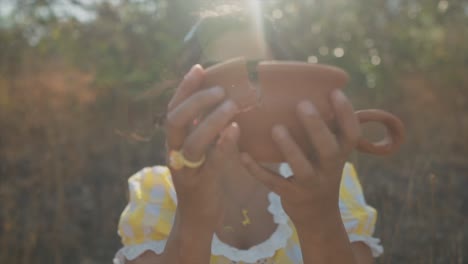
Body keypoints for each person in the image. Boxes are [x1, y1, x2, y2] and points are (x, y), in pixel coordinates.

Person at [114, 4, 383, 264]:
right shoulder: (158, 191)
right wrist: (192, 216)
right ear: (188, 94)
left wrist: (319, 217)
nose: (242, 91)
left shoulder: (330, 182)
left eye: (255, 71)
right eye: (216, 72)